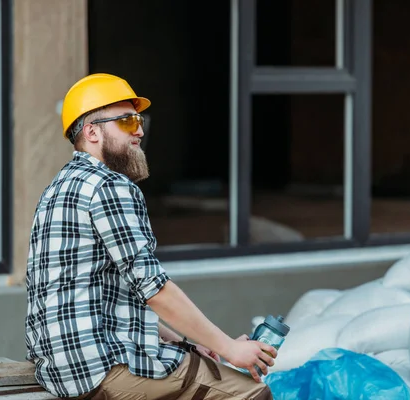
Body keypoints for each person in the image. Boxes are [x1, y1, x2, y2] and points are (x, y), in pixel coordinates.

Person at [25, 73, 277, 400]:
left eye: (140, 120)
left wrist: (186, 343)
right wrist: (229, 348)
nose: (140, 130)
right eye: (127, 121)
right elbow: (154, 289)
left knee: (192, 362)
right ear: (91, 132)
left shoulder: (57, 189)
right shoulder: (109, 187)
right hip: (102, 369)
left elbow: (116, 299)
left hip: (62, 371)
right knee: (252, 393)